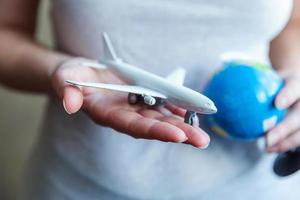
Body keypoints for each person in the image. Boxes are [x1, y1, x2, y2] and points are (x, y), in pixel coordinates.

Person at [0, 0, 300, 199]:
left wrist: (293, 76)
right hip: (86, 184)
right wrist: (58, 71)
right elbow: (6, 32)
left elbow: (292, 23)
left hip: (257, 184)